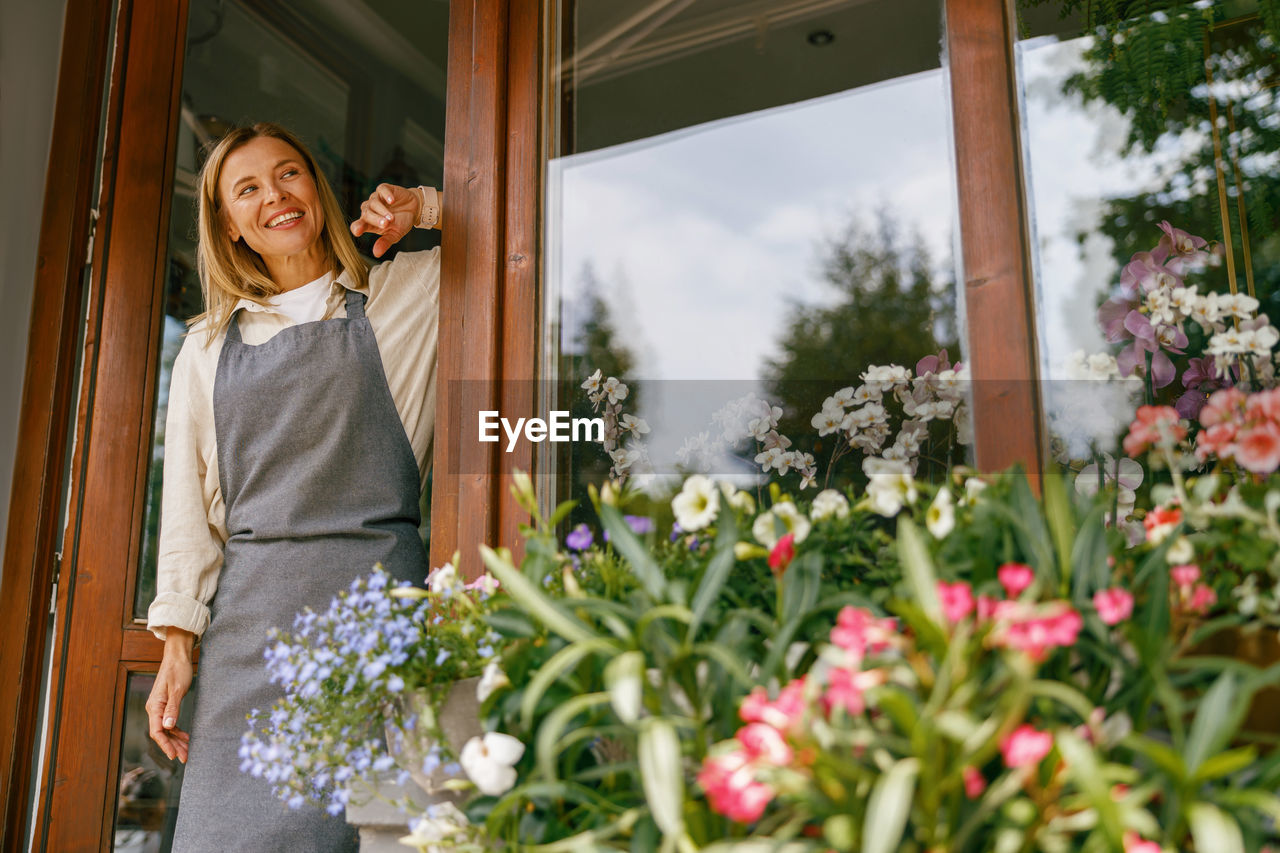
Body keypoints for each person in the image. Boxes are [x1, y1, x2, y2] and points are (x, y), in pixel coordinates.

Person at [143, 122, 443, 852]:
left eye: (288, 174)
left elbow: (518, 221)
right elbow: (189, 510)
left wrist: (425, 209)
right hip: (251, 640)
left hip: (379, 627)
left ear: (317, 187)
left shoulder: (408, 293)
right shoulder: (207, 346)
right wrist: (178, 644)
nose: (275, 196)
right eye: (247, 189)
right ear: (228, 225)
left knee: (378, 836)